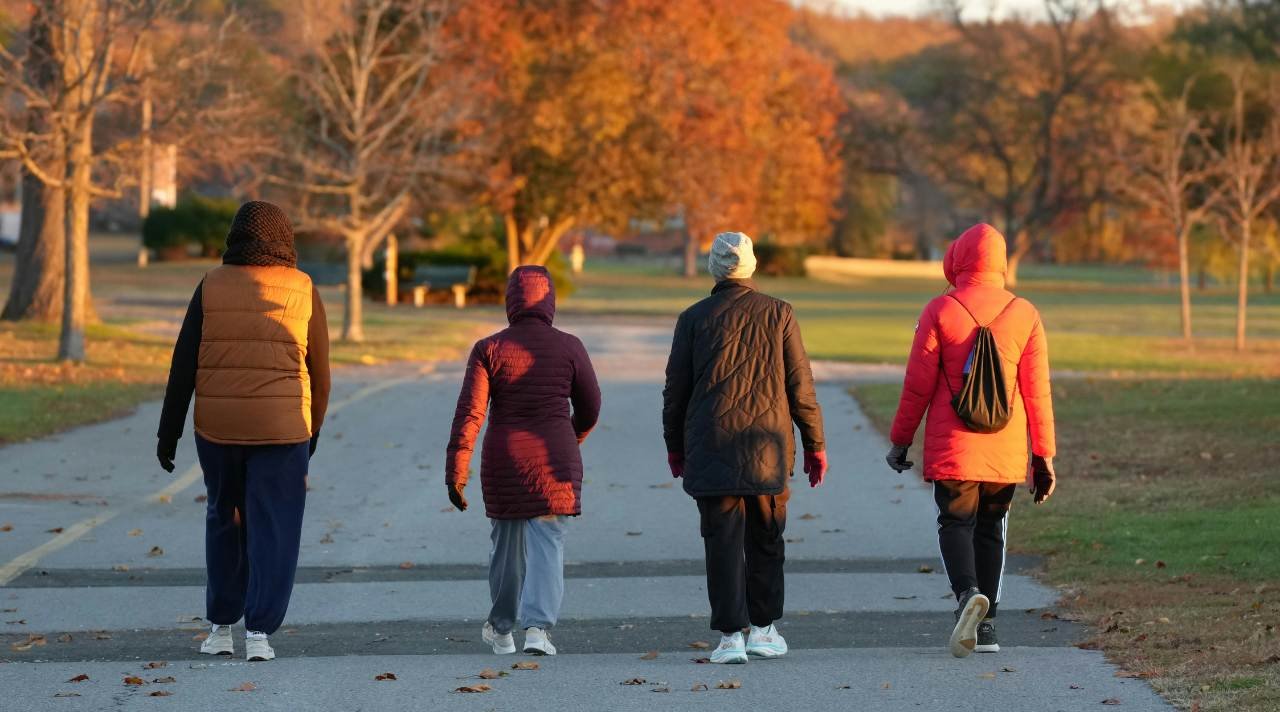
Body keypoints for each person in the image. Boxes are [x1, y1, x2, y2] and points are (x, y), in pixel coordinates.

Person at [155, 200, 330, 662]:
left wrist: (167, 432)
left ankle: (219, 628)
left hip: (218, 428)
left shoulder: (210, 284)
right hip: (283, 428)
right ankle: (259, 634)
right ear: (285, 240)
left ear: (235, 237)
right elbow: (321, 371)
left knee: (223, 518)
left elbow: (183, 362)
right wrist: (311, 433)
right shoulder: (303, 288)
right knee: (274, 526)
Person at [884, 223, 1056, 658]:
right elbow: (1037, 393)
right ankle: (988, 627)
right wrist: (1044, 457)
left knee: (955, 523)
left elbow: (917, 386)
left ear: (959, 259)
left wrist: (901, 440)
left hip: (953, 444)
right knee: (991, 529)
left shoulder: (940, 310)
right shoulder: (1025, 313)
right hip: (1005, 445)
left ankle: (967, 597)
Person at [662, 231, 827, 665]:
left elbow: (675, 391)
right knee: (767, 539)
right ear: (751, 267)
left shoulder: (693, 318)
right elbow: (800, 387)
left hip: (711, 443)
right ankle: (764, 628)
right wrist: (815, 445)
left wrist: (674, 447)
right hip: (768, 447)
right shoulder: (779, 314)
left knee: (721, 542)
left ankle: (731, 636)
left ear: (714, 268)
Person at [446, 265, 601, 657]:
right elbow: (591, 406)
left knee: (507, 546)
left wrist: (456, 471)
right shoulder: (570, 346)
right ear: (550, 301)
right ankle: (538, 630)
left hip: (505, 459)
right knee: (549, 543)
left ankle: (501, 630)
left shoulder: (489, 348)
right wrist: (572, 436)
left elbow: (471, 413)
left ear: (510, 301)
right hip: (556, 460)